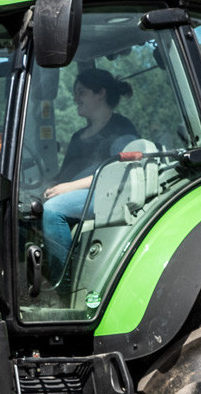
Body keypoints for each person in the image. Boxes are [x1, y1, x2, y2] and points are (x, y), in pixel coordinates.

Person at [41, 68, 138, 272]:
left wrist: (68, 188)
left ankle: (63, 281)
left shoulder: (120, 128)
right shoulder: (78, 136)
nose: (75, 98)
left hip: (108, 194)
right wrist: (50, 186)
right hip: (77, 194)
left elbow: (120, 171)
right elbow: (65, 175)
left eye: (81, 92)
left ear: (100, 93)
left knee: (52, 210)